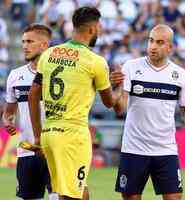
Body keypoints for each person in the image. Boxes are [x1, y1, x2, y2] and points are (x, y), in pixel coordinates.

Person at [28, 7, 123, 200]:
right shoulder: (95, 61)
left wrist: (38, 137)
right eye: (99, 27)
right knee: (72, 195)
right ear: (92, 29)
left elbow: (32, 95)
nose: (100, 30)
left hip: (49, 133)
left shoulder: (49, 53)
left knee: (74, 191)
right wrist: (119, 87)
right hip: (73, 136)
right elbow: (109, 103)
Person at [111, 24, 185, 200]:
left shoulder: (179, 74)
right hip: (134, 148)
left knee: (174, 197)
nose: (153, 46)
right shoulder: (131, 67)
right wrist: (115, 89)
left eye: (160, 42)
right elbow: (120, 108)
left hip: (165, 149)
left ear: (170, 47)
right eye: (151, 41)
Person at [2, 24, 58, 200]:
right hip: (28, 150)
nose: (24, 46)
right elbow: (10, 110)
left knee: (58, 196)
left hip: (55, 148)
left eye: (30, 41)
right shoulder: (15, 75)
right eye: (23, 42)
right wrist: (8, 120)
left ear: (44, 45)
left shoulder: (60, 74)